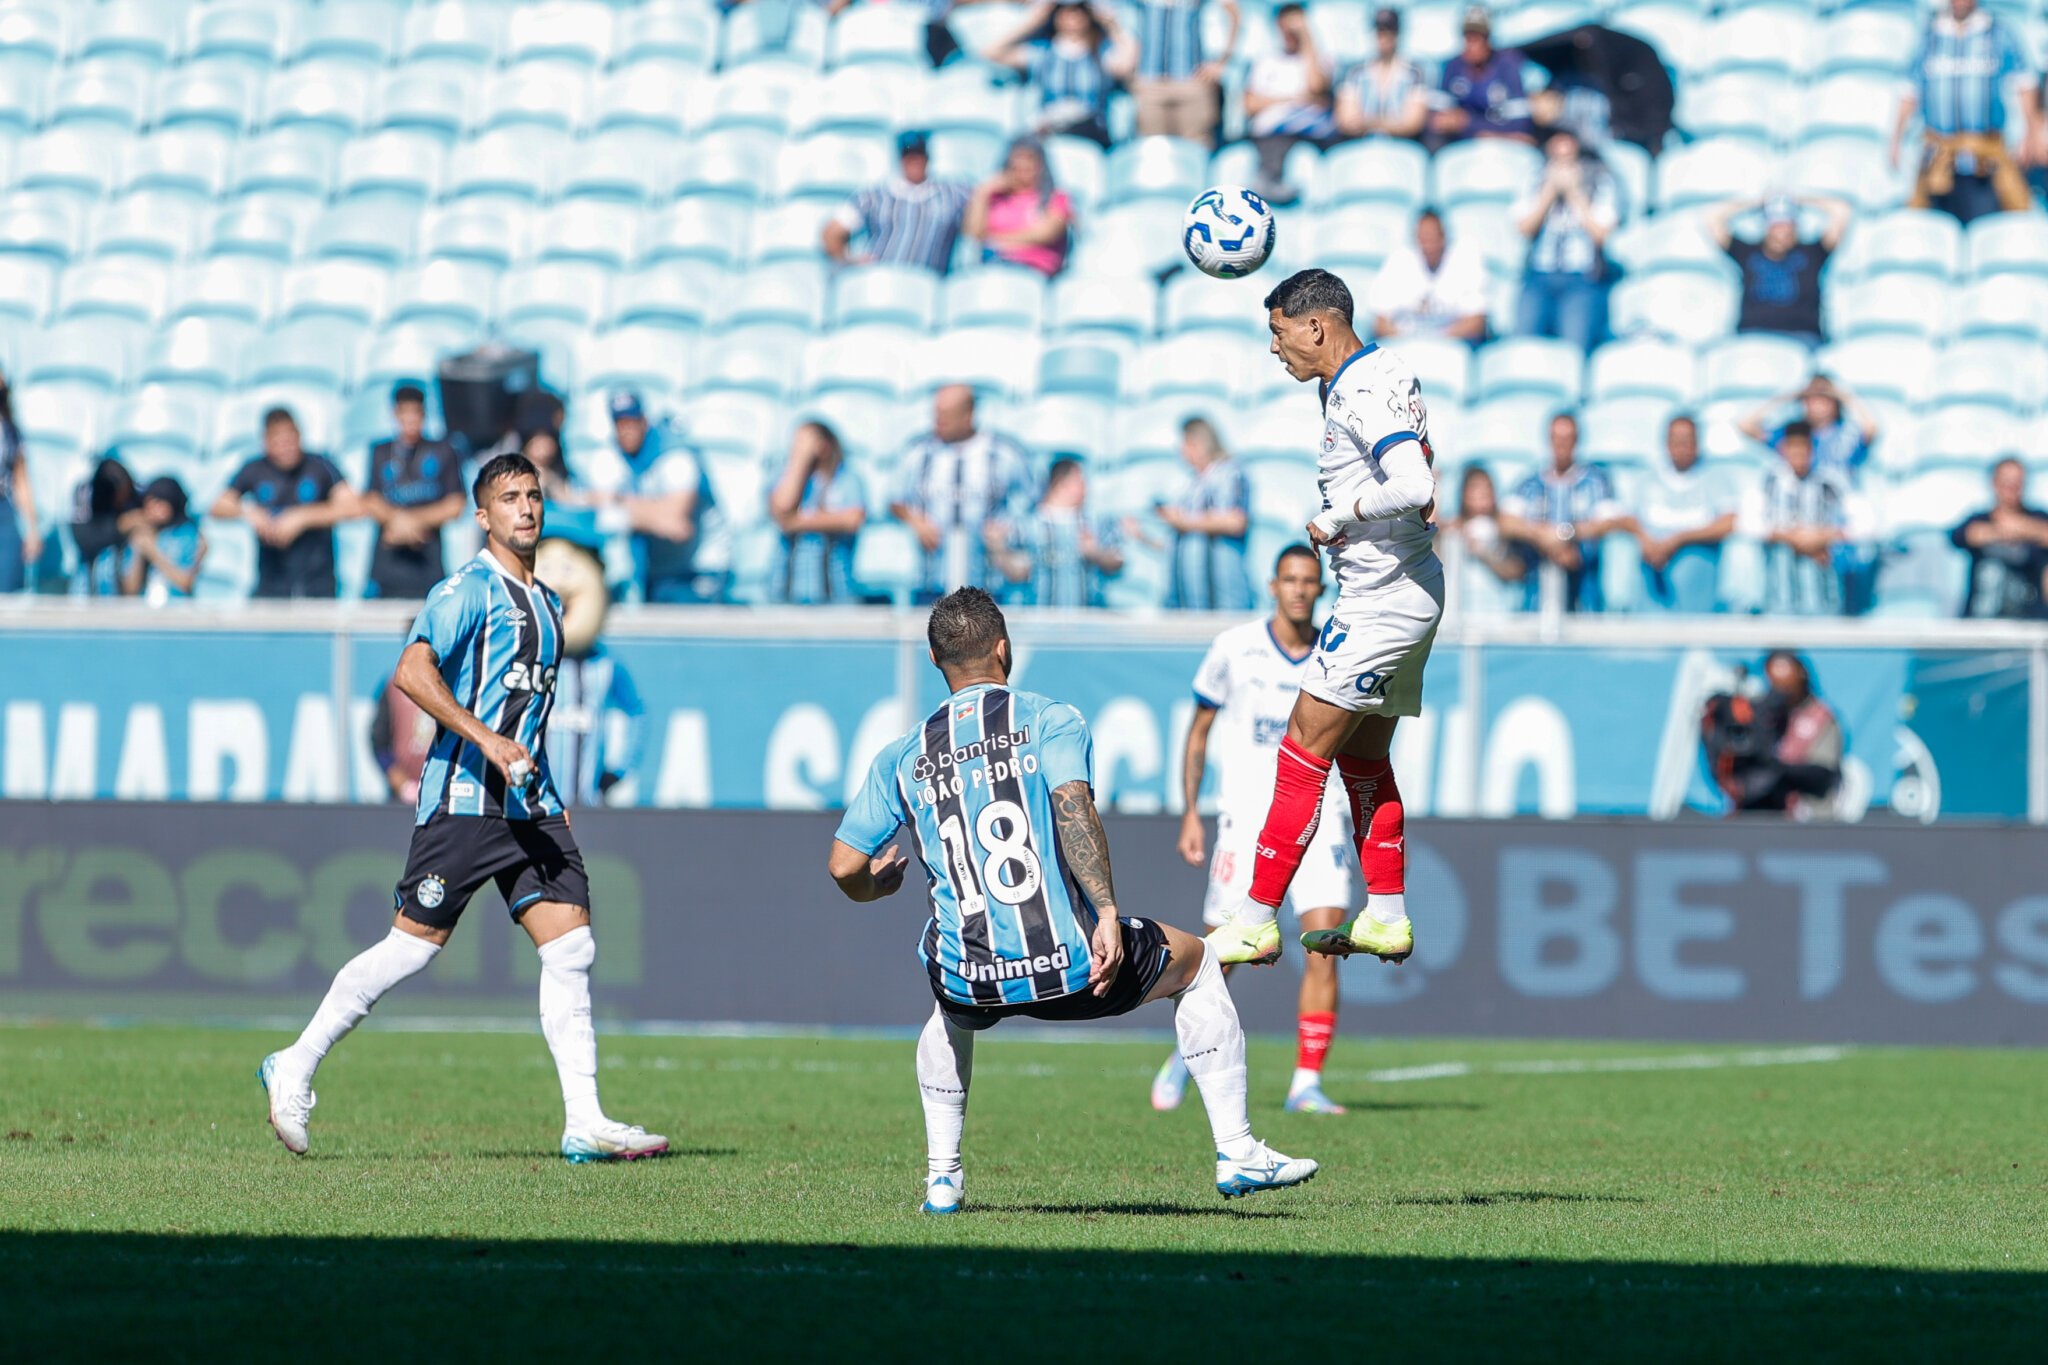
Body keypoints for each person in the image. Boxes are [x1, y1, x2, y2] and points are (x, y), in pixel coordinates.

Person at [827, 587, 1318, 1213]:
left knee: (945, 995)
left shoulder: (903, 756)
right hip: (1076, 969)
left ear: (933, 658)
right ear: (1005, 649)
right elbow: (1073, 809)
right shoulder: (1048, 718)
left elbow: (844, 866)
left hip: (972, 979)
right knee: (1197, 964)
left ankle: (943, 1178)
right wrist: (1108, 914)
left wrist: (877, 884)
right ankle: (1237, 1149)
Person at [257, 453, 665, 1162]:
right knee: (410, 949)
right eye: (509, 498)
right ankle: (294, 1061)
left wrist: (538, 782)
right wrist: (489, 740)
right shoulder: (466, 590)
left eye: (533, 495)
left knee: (572, 947)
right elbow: (412, 670)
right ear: (483, 515)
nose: (526, 509)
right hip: (465, 803)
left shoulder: (548, 602)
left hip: (530, 809)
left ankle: (585, 1119)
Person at [1206, 269, 1441, 979]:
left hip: (1382, 601)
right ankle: (1388, 914)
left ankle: (1251, 922)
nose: (1276, 348)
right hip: (1403, 591)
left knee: (1301, 748)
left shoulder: (1360, 389)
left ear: (1317, 325)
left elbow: (1417, 485)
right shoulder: (1378, 369)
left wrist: (1340, 515)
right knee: (1362, 757)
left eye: (1280, 332)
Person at [1153, 545, 1354, 1117]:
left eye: (1308, 581)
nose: (1298, 589)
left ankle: (1306, 1082)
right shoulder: (1233, 649)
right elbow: (1198, 734)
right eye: (1289, 579)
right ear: (1273, 585)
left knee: (1324, 946)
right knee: (1220, 953)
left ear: (1320, 589)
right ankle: (1183, 1055)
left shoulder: (1337, 653)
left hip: (1322, 813)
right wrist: (1191, 811)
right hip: (1247, 819)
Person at [1892, 0, 2045, 225]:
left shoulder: (1998, 32)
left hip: (1985, 162)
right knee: (1933, 233)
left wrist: (2031, 133)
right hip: (1938, 159)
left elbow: (2024, 84)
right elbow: (1909, 91)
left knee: (1987, 230)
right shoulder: (1929, 36)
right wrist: (1895, 139)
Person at [890, 384, 1038, 603]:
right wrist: (915, 521)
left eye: (946, 416)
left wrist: (1007, 529)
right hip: (930, 579)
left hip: (988, 582)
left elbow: (1034, 500)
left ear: (968, 415)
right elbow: (894, 500)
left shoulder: (1005, 453)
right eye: (936, 414)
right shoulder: (917, 451)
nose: (938, 422)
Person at [535, 534, 645, 807]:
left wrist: (617, 769)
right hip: (528, 806)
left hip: (585, 804)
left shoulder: (604, 665)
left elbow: (634, 713)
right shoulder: (520, 662)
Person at [210, 407, 359, 599]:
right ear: (266, 442)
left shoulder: (320, 465)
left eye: (289, 440)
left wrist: (303, 517)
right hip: (272, 581)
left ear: (299, 436)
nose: (285, 447)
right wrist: (250, 512)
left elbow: (354, 507)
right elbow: (218, 507)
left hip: (318, 581)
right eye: (278, 442)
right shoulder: (254, 468)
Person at [1497, 412, 1632, 613]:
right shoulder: (1529, 484)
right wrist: (1541, 537)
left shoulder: (1596, 482)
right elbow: (1505, 522)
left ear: (1577, 441)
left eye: (1568, 439)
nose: (1561, 445)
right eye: (1557, 438)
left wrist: (1567, 535)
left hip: (1585, 597)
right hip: (1535, 597)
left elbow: (1612, 522)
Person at [1738, 419, 1874, 616]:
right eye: (1793, 448)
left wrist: (1824, 536)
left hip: (1823, 590)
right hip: (1779, 592)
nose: (1799, 456)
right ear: (1784, 450)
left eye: (1804, 449)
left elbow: (1867, 524)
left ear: (1812, 450)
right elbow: (1747, 523)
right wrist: (1791, 537)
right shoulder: (1768, 481)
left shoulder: (1830, 480)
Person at [591, 390, 716, 604]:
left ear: (644, 422)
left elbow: (677, 525)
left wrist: (619, 503)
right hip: (659, 572)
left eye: (632, 422)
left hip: (702, 568)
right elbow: (596, 506)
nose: (626, 431)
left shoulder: (676, 456)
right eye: (620, 424)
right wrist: (655, 515)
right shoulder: (614, 454)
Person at [1513, 127, 1617, 354]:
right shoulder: (1533, 177)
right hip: (1539, 273)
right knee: (1523, 346)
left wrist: (1574, 192)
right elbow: (1524, 227)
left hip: (1581, 276)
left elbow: (1601, 234)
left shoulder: (1599, 178)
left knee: (1574, 349)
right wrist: (1549, 191)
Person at [1703, 652, 1844, 820]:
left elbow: (1823, 774)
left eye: (1785, 669)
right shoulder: (1761, 713)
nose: (1780, 683)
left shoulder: (1820, 717)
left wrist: (1778, 771)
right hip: (1761, 815)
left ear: (1801, 673)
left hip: (1809, 817)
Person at [1704, 195, 1853, 348]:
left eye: (1787, 225)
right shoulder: (1747, 253)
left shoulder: (1813, 253)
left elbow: (1841, 212)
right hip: (1753, 338)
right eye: (1776, 225)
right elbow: (1713, 218)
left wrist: (1802, 200)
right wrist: (1755, 203)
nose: (1781, 232)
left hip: (1802, 339)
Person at [363, 383, 467, 600]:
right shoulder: (380, 452)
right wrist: (399, 520)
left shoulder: (443, 450)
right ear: (395, 414)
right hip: (387, 567)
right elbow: (370, 500)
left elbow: (456, 504)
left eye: (415, 415)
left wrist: (409, 522)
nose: (410, 423)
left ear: (424, 414)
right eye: (405, 415)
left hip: (428, 566)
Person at [984, 0, 1136, 147]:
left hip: (1090, 137)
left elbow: (1129, 62)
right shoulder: (1042, 53)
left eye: (1080, 9)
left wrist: (1112, 25)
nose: (1072, 15)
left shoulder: (1101, 54)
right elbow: (991, 52)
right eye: (1063, 10)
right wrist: (1032, 22)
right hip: (1051, 135)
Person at [823, 131, 973, 275]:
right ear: (900, 159)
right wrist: (851, 260)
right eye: (908, 156)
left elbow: (982, 208)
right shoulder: (873, 196)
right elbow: (832, 233)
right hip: (882, 280)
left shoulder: (952, 193)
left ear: (927, 157)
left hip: (929, 287)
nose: (914, 162)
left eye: (919, 155)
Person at [1633, 414, 1736, 614]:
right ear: (1666, 443)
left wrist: (1679, 540)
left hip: (1699, 592)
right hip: (1655, 590)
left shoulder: (1715, 478)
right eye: (1676, 440)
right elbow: (1628, 519)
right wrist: (1645, 540)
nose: (1681, 446)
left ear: (1697, 443)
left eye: (1687, 440)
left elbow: (1729, 522)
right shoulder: (1647, 481)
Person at [990, 456, 1124, 607]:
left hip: (1087, 621)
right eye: (1080, 481)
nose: (1086, 489)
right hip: (1036, 620)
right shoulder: (1025, 526)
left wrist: (1095, 553)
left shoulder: (1094, 524)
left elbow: (1118, 562)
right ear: (1061, 484)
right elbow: (1015, 573)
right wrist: (997, 548)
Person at [1243, 4, 1336, 206]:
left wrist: (1307, 40)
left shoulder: (1320, 59)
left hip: (1310, 133)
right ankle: (1270, 183)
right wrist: (1295, 99)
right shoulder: (1266, 61)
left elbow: (1317, 85)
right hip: (1272, 133)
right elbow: (1250, 104)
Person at [767, 419, 867, 604]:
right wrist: (799, 462)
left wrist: (796, 521)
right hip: (787, 588)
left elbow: (852, 519)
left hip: (836, 589)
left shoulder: (847, 477)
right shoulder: (783, 476)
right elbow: (781, 509)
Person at [1159, 415, 1251, 611]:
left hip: (1221, 595)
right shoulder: (1194, 482)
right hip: (1191, 600)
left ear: (1199, 443)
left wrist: (1185, 521)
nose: (1181, 451)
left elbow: (1236, 520)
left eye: (1185, 443)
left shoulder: (1229, 472)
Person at [1367, 208, 1490, 342]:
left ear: (1443, 237)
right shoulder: (1399, 260)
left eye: (1432, 238)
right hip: (1405, 347)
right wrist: (1408, 341)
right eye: (1423, 239)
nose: (1428, 245)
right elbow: (1379, 323)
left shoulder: (1465, 259)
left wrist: (1437, 340)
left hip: (1452, 347)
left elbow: (1477, 323)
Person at [1129, 0, 1239, 147]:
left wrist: (1222, 61)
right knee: (1153, 147)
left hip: (1193, 82)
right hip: (1149, 82)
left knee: (1196, 146)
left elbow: (1233, 12)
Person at [1951, 457, 2048, 619]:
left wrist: (2023, 528)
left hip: (2030, 620)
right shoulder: (1979, 518)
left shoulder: (2039, 517)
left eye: (2017, 481)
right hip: (1980, 620)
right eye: (2007, 481)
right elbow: (1960, 536)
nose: (2012, 487)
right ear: (1995, 483)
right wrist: (2001, 530)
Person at [963, 136, 1074, 278]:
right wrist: (982, 193)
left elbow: (1045, 234)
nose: (1023, 166)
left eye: (1029, 159)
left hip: (1033, 271)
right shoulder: (994, 198)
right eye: (1018, 160)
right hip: (991, 266)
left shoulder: (1056, 197)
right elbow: (973, 234)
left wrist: (993, 241)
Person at [1738, 375, 1879, 482]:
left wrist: (1843, 395)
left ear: (1835, 402)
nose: (1817, 404)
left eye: (1824, 398)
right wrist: (1791, 394)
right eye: (1811, 398)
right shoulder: (1793, 433)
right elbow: (1746, 426)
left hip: (1839, 507)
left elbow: (1872, 428)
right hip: (1802, 506)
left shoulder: (1848, 433)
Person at [1430, 7, 1536, 144]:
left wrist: (1468, 123)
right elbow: (1437, 120)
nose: (1472, 44)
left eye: (1479, 37)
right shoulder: (1453, 66)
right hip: (1461, 147)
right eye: (1468, 37)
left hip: (1502, 147)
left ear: (1489, 39)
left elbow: (1521, 126)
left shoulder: (1508, 65)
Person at [1439, 464, 1525, 614]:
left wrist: (1484, 552)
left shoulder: (1504, 528)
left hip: (1498, 611)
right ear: (1464, 494)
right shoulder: (1452, 528)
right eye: (1475, 489)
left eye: (1486, 488)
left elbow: (1516, 571)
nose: (1482, 494)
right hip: (1458, 611)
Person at [1334, 8, 1428, 143]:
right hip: (1359, 144)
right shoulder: (1354, 72)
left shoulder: (1414, 73)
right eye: (1380, 31)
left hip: (1401, 146)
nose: (1384, 37)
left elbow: (1413, 124)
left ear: (1398, 34)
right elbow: (1345, 121)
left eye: (1389, 31)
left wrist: (1368, 123)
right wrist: (1391, 123)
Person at [118, 476, 206, 602]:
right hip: (143, 611)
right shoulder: (142, 531)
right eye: (149, 503)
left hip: (177, 611)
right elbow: (130, 590)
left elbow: (186, 583)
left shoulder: (187, 534)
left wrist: (153, 553)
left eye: (160, 503)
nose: (154, 509)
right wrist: (138, 552)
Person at [70, 456, 137, 596]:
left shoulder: (134, 497)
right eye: (119, 496)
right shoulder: (85, 494)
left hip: (122, 559)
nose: (122, 502)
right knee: (103, 560)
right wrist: (119, 527)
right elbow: (84, 540)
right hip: (90, 561)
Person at [0, 367, 39, 592]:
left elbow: (21, 481)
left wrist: (32, 529)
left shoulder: (10, 430)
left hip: (4, 509)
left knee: (6, 585)